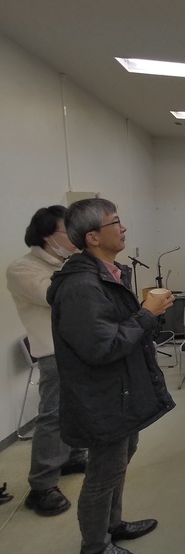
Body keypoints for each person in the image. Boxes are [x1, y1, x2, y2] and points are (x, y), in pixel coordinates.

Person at [47, 198, 176, 554]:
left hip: (122, 389)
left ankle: (112, 525)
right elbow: (101, 347)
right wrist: (147, 314)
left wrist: (150, 314)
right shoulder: (82, 286)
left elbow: (119, 329)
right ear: (92, 237)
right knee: (103, 475)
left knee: (119, 462)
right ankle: (95, 546)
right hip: (102, 396)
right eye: (115, 223)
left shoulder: (109, 273)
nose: (123, 228)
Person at [6, 205, 87, 517]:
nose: (76, 237)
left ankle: (72, 457)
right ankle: (42, 486)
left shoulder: (68, 263)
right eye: (69, 231)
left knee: (79, 407)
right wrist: (83, 266)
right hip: (54, 352)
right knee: (53, 416)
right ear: (46, 236)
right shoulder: (23, 268)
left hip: (79, 347)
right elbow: (55, 295)